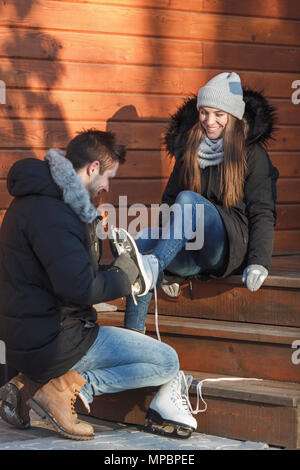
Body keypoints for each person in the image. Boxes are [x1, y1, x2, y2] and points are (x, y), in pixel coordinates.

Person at [0, 129, 198, 440]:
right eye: (108, 177)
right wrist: (123, 276)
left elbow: (66, 275)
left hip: (28, 338)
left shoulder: (38, 201)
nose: (107, 186)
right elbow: (79, 288)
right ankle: (60, 390)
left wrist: (113, 267)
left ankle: (29, 387)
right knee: (165, 361)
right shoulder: (56, 212)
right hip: (56, 342)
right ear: (92, 168)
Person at [120, 72, 279, 334]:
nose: (209, 120)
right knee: (141, 245)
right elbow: (168, 202)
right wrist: (171, 267)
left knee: (188, 200)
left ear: (234, 116)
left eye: (218, 114)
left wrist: (259, 261)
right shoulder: (190, 148)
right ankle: (132, 340)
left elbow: (262, 211)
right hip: (190, 250)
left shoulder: (252, 154)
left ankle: (155, 267)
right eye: (204, 112)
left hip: (225, 247)